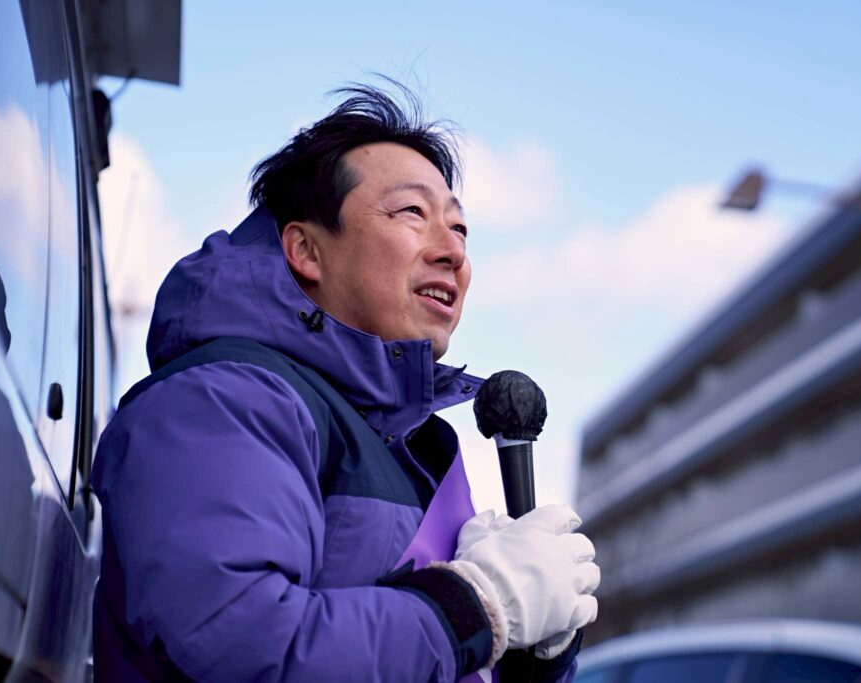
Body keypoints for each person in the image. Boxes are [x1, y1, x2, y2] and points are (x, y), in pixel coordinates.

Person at [91, 82, 600, 682]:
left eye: (460, 228)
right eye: (412, 213)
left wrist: (528, 645)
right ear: (306, 249)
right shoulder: (219, 401)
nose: (453, 253)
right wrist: (474, 606)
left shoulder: (412, 445)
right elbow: (240, 646)